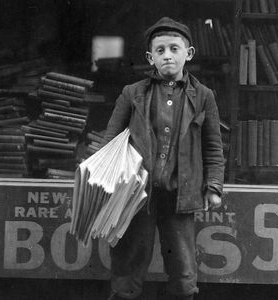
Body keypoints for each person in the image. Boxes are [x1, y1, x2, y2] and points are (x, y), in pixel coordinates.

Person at [102, 17, 225, 300]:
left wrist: (213, 186)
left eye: (174, 48)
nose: (167, 55)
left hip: (179, 197)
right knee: (127, 271)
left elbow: (213, 147)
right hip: (136, 197)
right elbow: (109, 143)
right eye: (160, 51)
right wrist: (105, 184)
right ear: (150, 57)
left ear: (188, 53)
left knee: (183, 274)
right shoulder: (132, 94)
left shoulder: (204, 96)